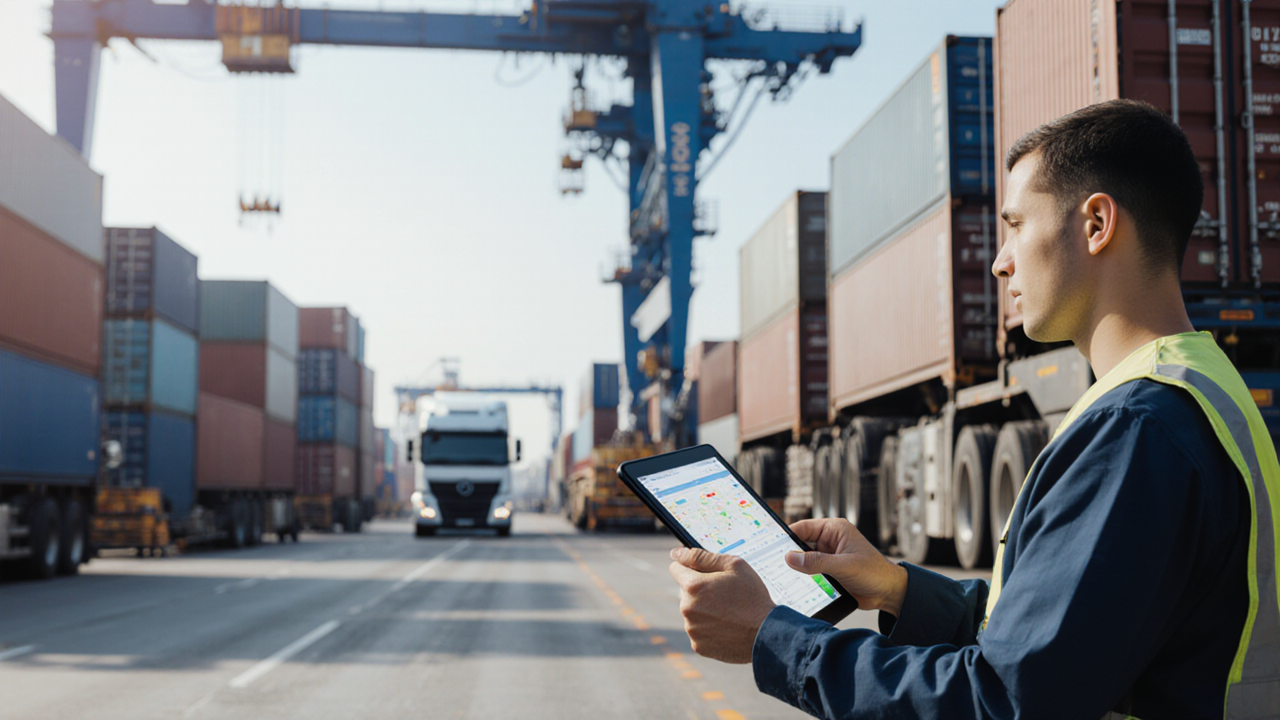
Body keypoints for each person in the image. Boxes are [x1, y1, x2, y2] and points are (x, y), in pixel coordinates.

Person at [668, 100, 1280, 718]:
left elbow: (1003, 701)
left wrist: (774, 638)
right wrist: (898, 589)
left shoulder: (1135, 430)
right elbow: (1070, 641)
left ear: (1096, 224)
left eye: (1017, 225)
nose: (999, 260)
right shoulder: (1200, 386)